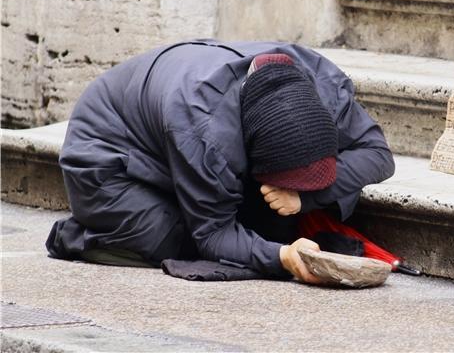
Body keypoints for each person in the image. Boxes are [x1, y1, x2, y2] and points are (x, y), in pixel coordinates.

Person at [45, 39, 395, 284]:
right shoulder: (202, 131)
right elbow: (213, 234)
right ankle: (87, 236)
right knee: (176, 239)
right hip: (107, 159)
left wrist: (305, 198)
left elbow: (377, 155)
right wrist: (281, 258)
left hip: (182, 138)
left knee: (269, 224)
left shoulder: (326, 86)